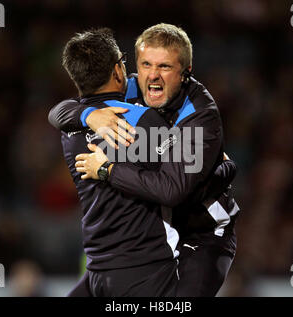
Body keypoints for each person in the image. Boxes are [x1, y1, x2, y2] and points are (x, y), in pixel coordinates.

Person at [49, 24, 240, 296]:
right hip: (161, 231)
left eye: (164, 67)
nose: (152, 75)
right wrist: (88, 115)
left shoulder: (199, 115)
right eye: (146, 64)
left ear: (186, 72)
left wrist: (107, 170)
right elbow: (58, 111)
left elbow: (173, 190)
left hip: (203, 233)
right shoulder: (131, 88)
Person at [57, 28, 181, 297]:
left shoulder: (69, 128)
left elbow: (59, 111)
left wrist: (88, 113)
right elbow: (177, 188)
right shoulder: (144, 120)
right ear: (117, 70)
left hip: (97, 269)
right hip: (144, 270)